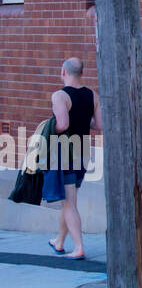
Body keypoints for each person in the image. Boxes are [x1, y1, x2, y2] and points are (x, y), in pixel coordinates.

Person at [45, 58, 100, 260]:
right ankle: (59, 241)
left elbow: (62, 124)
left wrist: (48, 127)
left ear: (63, 72)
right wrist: (83, 119)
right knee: (69, 199)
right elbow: (99, 124)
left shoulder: (60, 96)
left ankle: (78, 248)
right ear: (81, 73)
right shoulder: (92, 95)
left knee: (69, 203)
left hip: (66, 151)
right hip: (83, 150)